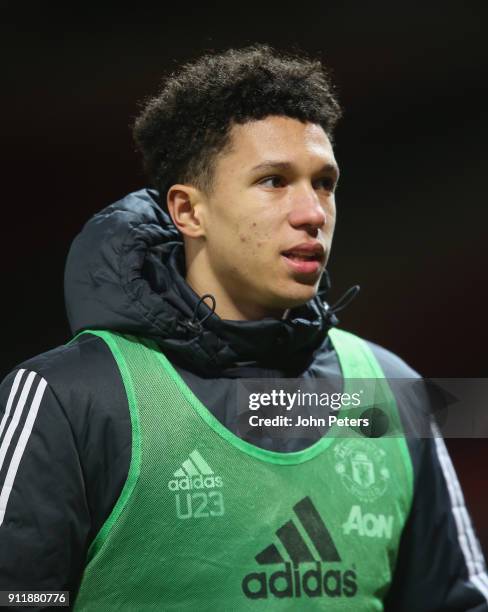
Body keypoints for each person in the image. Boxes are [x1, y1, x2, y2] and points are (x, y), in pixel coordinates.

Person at [0, 45, 486, 611]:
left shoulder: (389, 390)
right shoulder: (69, 399)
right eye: (274, 180)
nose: (313, 212)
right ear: (188, 211)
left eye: (324, 182)